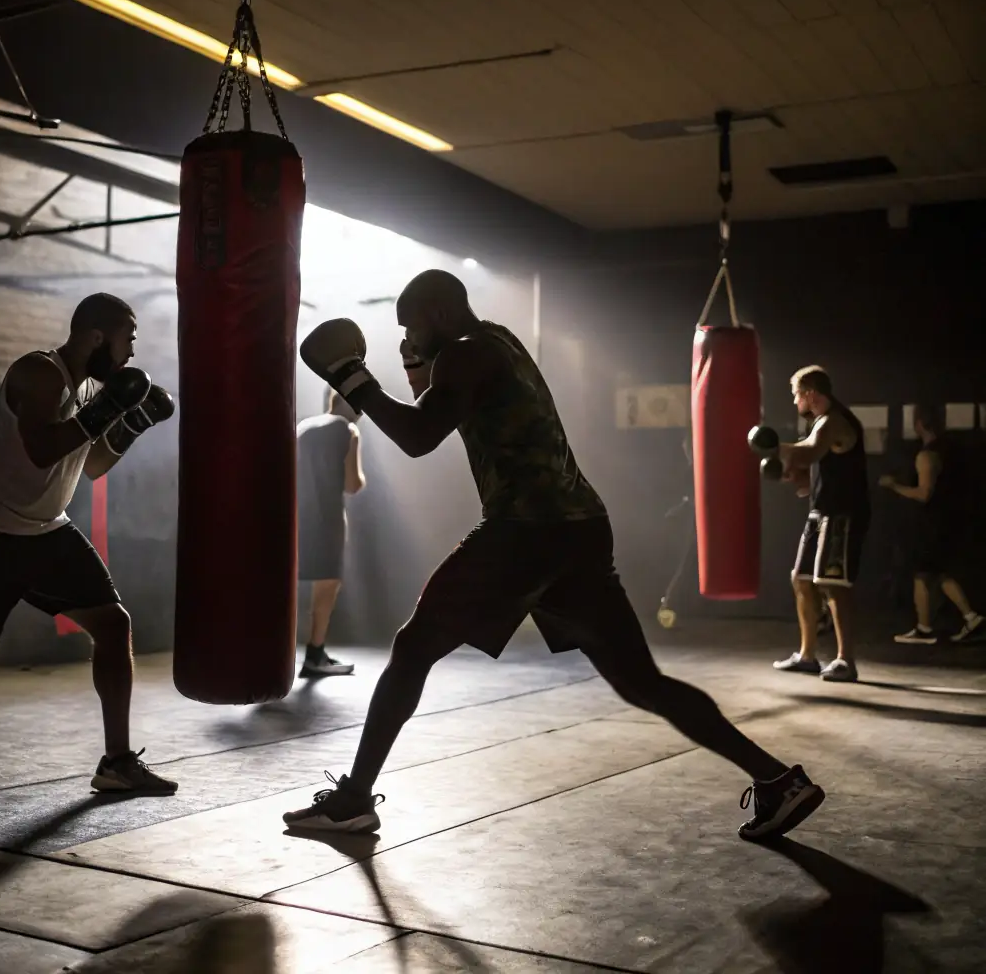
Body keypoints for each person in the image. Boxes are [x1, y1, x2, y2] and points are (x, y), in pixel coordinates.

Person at [287, 269, 824, 841]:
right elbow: (437, 409)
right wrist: (416, 368)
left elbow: (419, 437)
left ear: (438, 314)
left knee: (412, 646)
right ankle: (776, 780)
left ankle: (353, 801)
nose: (409, 338)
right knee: (642, 681)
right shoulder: (498, 342)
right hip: (579, 530)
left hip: (525, 531)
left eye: (411, 327)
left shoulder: (464, 354)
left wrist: (351, 377)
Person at [0, 293, 178, 801]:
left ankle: (117, 761)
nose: (131, 353)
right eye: (126, 339)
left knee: (113, 624)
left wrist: (130, 424)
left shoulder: (89, 386)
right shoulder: (39, 373)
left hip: (47, 529)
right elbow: (42, 449)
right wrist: (108, 407)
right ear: (96, 337)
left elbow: (91, 465)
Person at [771, 366, 870, 683]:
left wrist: (773, 449)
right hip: (820, 511)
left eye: (797, 394)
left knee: (833, 585)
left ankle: (845, 660)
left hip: (842, 513)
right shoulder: (817, 424)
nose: (795, 401)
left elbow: (811, 451)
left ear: (810, 393)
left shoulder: (834, 421)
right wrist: (798, 478)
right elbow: (814, 467)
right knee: (800, 579)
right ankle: (808, 655)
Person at [881, 404, 983, 645]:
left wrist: (893, 486)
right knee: (936, 575)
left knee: (923, 574)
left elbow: (924, 493)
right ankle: (970, 617)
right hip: (944, 521)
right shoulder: (949, 450)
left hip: (932, 524)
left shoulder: (927, 455)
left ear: (919, 424)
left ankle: (927, 628)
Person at [296, 389, 366, 677]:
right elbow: (352, 484)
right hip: (327, 518)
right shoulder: (348, 431)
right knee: (326, 585)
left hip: (296, 514)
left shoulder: (303, 426)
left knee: (286, 581)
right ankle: (315, 653)